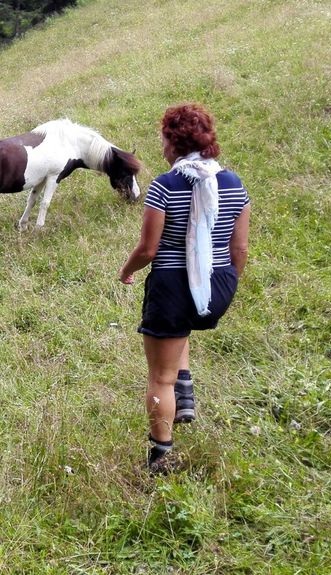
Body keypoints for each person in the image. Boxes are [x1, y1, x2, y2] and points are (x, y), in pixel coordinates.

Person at [119, 103, 251, 474]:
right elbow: (239, 248)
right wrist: (229, 281)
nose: (160, 147)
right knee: (181, 327)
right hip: (217, 288)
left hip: (173, 289)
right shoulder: (234, 183)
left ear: (174, 142)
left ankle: (161, 456)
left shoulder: (165, 185)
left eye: (163, 139)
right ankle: (186, 390)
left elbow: (149, 249)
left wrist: (126, 270)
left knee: (159, 375)